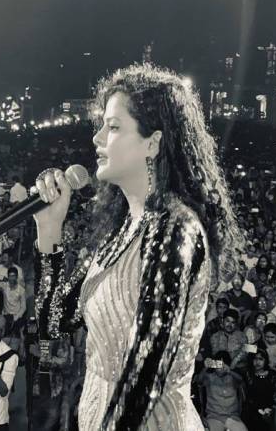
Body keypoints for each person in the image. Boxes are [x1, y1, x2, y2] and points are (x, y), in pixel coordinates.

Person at [31, 65, 242, 429]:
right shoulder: (121, 230)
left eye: (113, 127)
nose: (97, 138)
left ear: (153, 143)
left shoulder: (175, 228)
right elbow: (53, 322)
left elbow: (145, 376)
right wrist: (48, 230)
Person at [194, 351, 246, 431]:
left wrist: (229, 371)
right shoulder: (209, 377)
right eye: (217, 364)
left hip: (233, 417)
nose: (220, 368)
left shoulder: (232, 377)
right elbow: (198, 381)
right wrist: (205, 368)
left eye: (222, 364)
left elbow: (241, 380)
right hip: (214, 417)